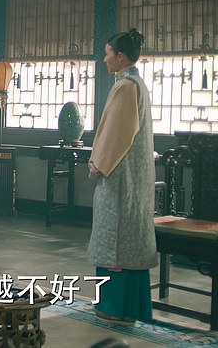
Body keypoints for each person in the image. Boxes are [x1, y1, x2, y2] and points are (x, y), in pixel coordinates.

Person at [87, 28, 156, 326]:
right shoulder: (136, 84)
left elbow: (117, 134)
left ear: (120, 56)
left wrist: (97, 164)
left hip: (120, 173)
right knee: (130, 240)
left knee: (115, 239)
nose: (104, 59)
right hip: (134, 174)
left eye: (107, 54)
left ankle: (113, 307)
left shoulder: (126, 87)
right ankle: (129, 308)